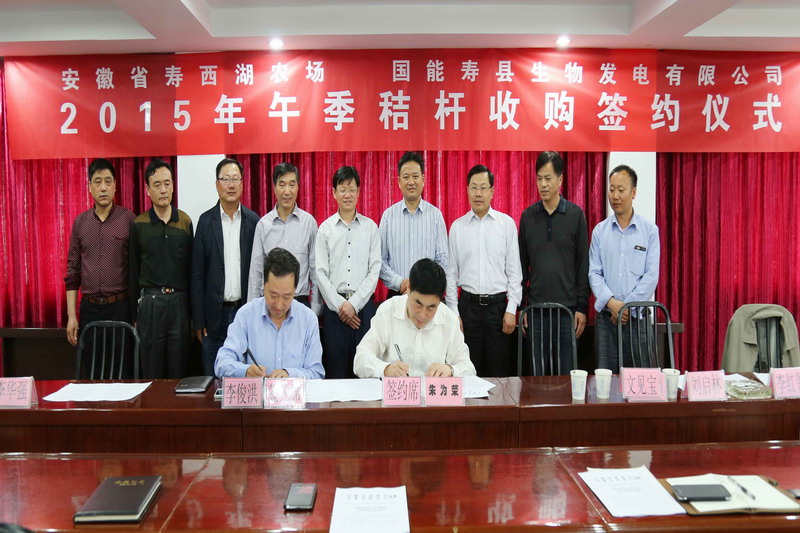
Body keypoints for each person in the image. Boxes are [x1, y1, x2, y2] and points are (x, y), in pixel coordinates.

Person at [446, 165, 522, 377]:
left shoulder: (506, 224)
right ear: (467, 190)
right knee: (467, 372)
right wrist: (454, 313)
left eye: (483, 188)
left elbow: (514, 272)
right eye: (473, 187)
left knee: (499, 374)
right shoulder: (458, 227)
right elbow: (451, 274)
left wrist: (511, 309)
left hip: (498, 311)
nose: (478, 193)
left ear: (492, 191)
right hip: (468, 309)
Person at [518, 151, 589, 375]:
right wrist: (522, 307)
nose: (543, 184)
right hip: (536, 312)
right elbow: (521, 266)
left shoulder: (576, 215)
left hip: (567, 312)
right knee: (537, 378)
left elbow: (583, 264)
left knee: (566, 379)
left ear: (560, 179)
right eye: (539, 178)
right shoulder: (528, 217)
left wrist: (582, 307)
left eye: (548, 178)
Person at [64, 159, 135, 377]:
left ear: (115, 186)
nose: (103, 187)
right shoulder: (80, 223)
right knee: (92, 374)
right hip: (90, 310)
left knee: (122, 372)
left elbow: (136, 269)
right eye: (97, 182)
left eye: (108, 181)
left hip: (120, 308)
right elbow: (72, 270)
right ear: (89, 186)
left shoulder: (128, 220)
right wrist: (72, 316)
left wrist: (135, 314)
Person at [191, 158, 260, 376]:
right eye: (226, 179)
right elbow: (197, 275)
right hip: (214, 316)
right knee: (214, 378)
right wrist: (198, 320)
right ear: (217, 184)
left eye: (236, 179)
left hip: (244, 312)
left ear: (242, 183)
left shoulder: (253, 221)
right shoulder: (205, 222)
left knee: (243, 377)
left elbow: (258, 272)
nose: (231, 185)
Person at [589, 164, 660, 372]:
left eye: (621, 190)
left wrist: (626, 307)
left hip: (638, 321)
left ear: (634, 192)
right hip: (607, 321)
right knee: (605, 382)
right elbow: (594, 273)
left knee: (640, 382)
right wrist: (612, 304)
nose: (615, 196)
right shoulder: (600, 231)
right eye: (611, 189)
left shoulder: (649, 231)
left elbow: (651, 275)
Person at [354, 258, 476, 378]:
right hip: (398, 390)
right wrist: (385, 369)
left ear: (440, 300)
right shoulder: (388, 311)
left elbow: (469, 368)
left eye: (431, 307)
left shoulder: (449, 319)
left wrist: (451, 370)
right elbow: (361, 359)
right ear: (408, 288)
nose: (422, 314)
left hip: (432, 391)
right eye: (418, 303)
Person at [215, 247, 325, 379]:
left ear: (295, 289)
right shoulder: (246, 315)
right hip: (258, 392)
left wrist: (290, 374)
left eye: (286, 297)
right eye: (273, 295)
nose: (279, 305)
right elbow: (222, 363)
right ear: (264, 285)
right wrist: (245, 371)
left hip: (293, 392)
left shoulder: (308, 319)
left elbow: (317, 372)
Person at [129, 158, 193, 379]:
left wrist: (193, 314)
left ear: (173, 186)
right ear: (148, 190)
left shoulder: (184, 221)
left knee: (178, 371)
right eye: (157, 185)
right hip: (150, 304)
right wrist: (133, 314)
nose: (163, 190)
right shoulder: (139, 224)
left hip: (179, 304)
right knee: (151, 371)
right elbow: (133, 271)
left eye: (167, 183)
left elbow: (191, 270)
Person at [315, 166, 381, 379]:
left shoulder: (370, 228)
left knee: (365, 373)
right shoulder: (325, 229)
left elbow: (374, 270)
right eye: (342, 190)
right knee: (336, 373)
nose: (347, 195)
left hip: (364, 311)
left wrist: (354, 305)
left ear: (359, 192)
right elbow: (320, 273)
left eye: (352, 189)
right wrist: (341, 306)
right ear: (334, 193)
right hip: (334, 313)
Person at [247, 162, 320, 312]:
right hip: (270, 305)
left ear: (298, 187)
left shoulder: (309, 223)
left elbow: (315, 271)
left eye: (292, 185)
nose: (287, 191)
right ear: (274, 187)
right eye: (282, 185)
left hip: (300, 303)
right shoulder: (263, 225)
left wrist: (315, 309)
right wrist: (252, 310)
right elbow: (256, 273)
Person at [379, 151, 448, 298]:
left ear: (423, 179)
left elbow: (443, 260)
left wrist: (424, 284)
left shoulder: (435, 216)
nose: (411, 182)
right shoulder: (388, 216)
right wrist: (401, 283)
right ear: (399, 181)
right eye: (406, 177)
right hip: (397, 294)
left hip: (428, 295)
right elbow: (380, 260)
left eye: (415, 176)